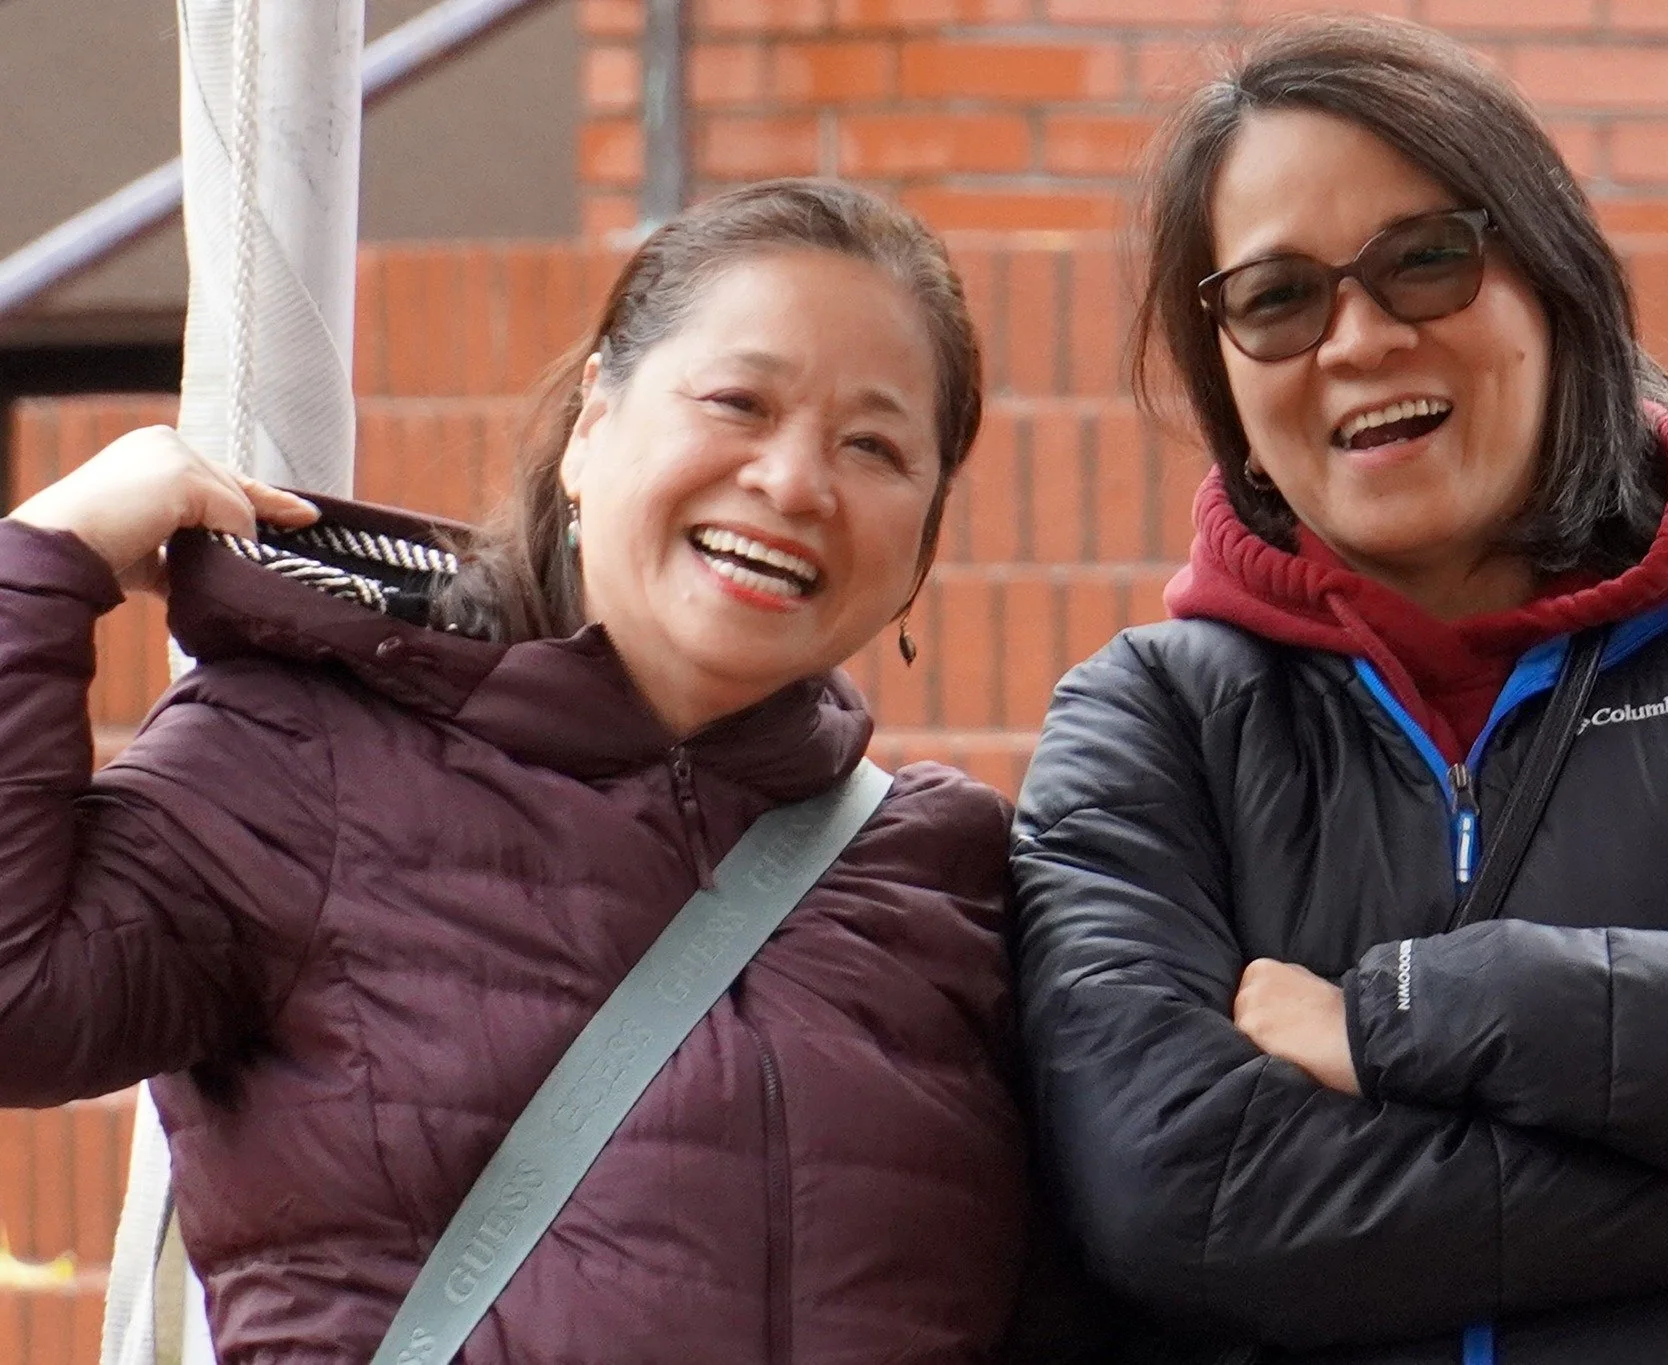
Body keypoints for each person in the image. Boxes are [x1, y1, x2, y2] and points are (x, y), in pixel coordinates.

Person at [1010, 17, 1668, 1364]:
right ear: (1228, 378)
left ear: (1552, 282)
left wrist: (1402, 1017)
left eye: (1426, 259)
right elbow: (1184, 1196)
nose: (1360, 338)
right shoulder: (1148, 726)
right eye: (1277, 298)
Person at [0, 178, 1030, 1363]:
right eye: (739, 402)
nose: (796, 483)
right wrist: (45, 562)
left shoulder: (950, 878)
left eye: (874, 446)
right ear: (594, 424)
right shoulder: (304, 758)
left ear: (923, 538)